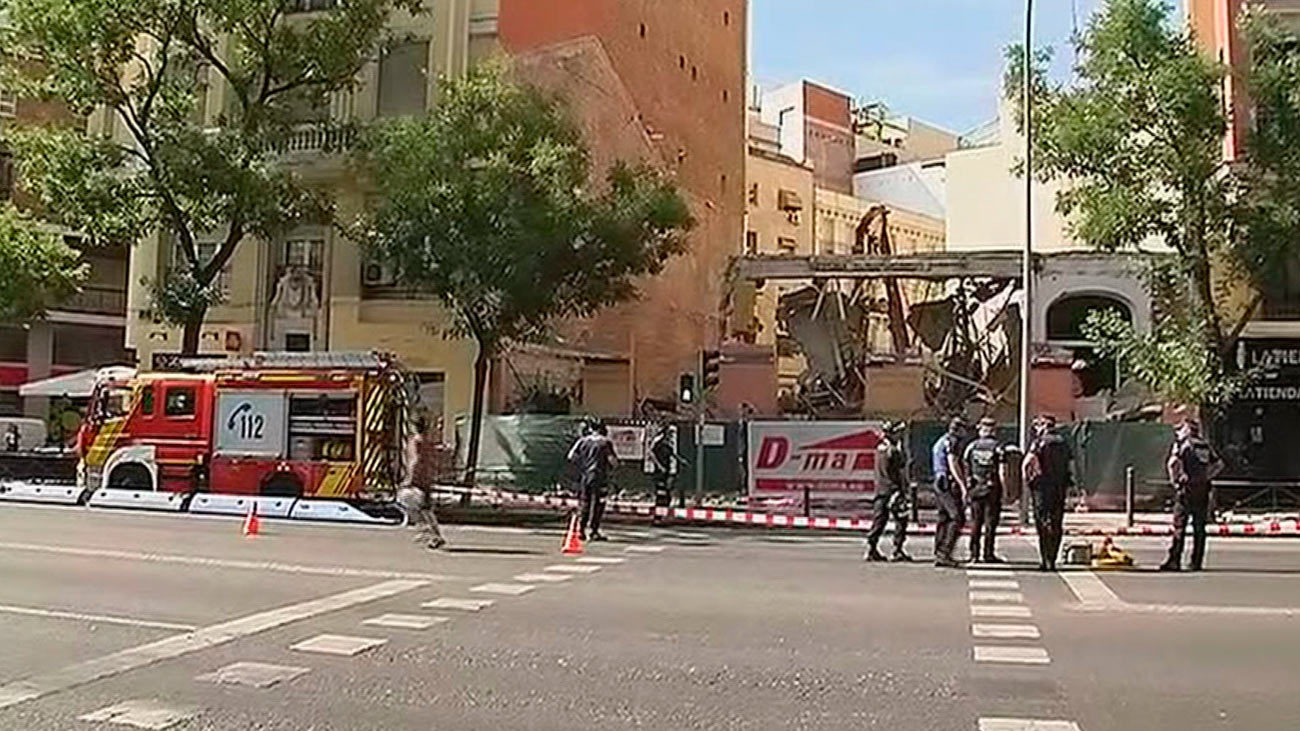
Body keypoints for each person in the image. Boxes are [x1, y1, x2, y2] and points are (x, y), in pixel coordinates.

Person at [1160, 419, 1224, 572]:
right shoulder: (1204, 445)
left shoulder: (1183, 444)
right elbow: (1219, 464)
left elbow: (1172, 463)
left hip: (1186, 490)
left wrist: (1175, 481)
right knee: (1199, 528)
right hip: (1202, 490)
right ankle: (1196, 562)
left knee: (1180, 527)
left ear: (1186, 429)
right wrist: (1207, 476)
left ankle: (1174, 560)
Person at [1023, 414, 1073, 571]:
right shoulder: (1064, 442)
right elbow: (1070, 466)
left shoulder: (1039, 442)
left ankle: (1045, 559)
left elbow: (1027, 462)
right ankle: (1052, 558)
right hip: (1059, 486)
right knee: (1056, 522)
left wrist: (1027, 480)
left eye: (1037, 425)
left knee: (1042, 521)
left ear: (1044, 425)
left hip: (1042, 487)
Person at [397, 417, 447, 551]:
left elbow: (415, 461)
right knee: (426, 509)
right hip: (426, 478)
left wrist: (409, 479)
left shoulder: (415, 442)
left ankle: (429, 534)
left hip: (418, 480)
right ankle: (433, 535)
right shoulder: (427, 442)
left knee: (411, 505)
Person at [864, 420, 912, 562]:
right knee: (901, 521)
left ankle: (872, 549)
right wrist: (901, 491)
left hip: (881, 490)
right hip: (894, 491)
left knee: (879, 520)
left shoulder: (880, 448)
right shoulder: (893, 451)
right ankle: (897, 550)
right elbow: (900, 472)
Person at [963, 417, 1006, 564]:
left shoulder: (972, 446)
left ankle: (973, 554)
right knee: (990, 523)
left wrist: (967, 485)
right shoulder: (998, 447)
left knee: (975, 522)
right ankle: (988, 553)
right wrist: (1005, 489)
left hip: (975, 487)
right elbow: (1002, 470)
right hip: (992, 487)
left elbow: (965, 465)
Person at [568, 420, 618, 541]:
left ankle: (581, 530)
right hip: (600, 476)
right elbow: (612, 461)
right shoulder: (605, 442)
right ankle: (594, 530)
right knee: (598, 504)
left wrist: (583, 463)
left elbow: (571, 456)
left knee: (584, 502)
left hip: (585, 476)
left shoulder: (583, 441)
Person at [931, 417, 968, 568]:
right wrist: (963, 485)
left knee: (944, 517)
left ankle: (939, 551)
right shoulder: (952, 442)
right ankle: (945, 552)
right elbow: (952, 462)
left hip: (939, 481)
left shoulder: (941, 440)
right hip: (947, 482)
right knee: (956, 517)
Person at [649, 423, 680, 524]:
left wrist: (680, 460)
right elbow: (651, 453)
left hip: (666, 470)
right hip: (659, 472)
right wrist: (659, 466)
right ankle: (657, 518)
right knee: (661, 495)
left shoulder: (667, 443)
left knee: (667, 495)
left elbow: (672, 453)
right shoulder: (658, 441)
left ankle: (663, 516)